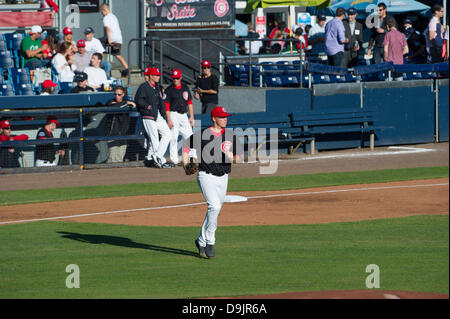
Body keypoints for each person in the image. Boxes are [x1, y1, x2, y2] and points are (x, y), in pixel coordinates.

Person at [182, 106, 242, 258]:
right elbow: (186, 146)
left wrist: (231, 157)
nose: (225, 119)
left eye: (226, 116)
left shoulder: (230, 135)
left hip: (223, 177)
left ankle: (201, 240)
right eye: (222, 117)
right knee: (214, 206)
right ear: (214, 118)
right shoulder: (202, 135)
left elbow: (239, 157)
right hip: (205, 176)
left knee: (215, 211)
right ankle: (210, 241)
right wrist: (185, 163)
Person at [134, 67, 172, 168]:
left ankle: (157, 156)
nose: (158, 77)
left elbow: (161, 101)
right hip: (147, 115)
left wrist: (163, 113)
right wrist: (148, 107)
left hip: (157, 115)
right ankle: (161, 161)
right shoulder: (144, 86)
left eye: (158, 75)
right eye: (156, 75)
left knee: (168, 134)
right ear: (151, 76)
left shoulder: (157, 86)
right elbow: (138, 100)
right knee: (154, 138)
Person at [164, 69, 194, 166]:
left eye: (177, 78)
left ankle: (192, 157)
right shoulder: (169, 90)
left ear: (180, 78)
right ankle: (174, 160)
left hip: (183, 115)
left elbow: (189, 102)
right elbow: (167, 106)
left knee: (189, 136)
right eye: (174, 78)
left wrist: (192, 117)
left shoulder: (185, 88)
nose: (175, 80)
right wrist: (168, 119)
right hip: (173, 114)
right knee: (173, 137)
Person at [105, 86, 136, 163]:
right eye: (115, 94)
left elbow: (135, 104)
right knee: (112, 158)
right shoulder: (110, 102)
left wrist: (127, 103)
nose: (116, 96)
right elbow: (114, 106)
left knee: (120, 158)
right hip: (113, 134)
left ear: (123, 94)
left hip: (124, 134)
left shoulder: (127, 101)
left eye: (119, 94)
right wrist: (126, 103)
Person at [100, 3, 129, 78]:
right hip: (119, 39)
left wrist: (109, 40)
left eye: (102, 12)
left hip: (112, 38)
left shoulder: (106, 18)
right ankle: (127, 68)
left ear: (104, 10)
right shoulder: (113, 16)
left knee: (98, 44)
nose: (102, 14)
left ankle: (101, 63)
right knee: (117, 55)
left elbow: (107, 28)